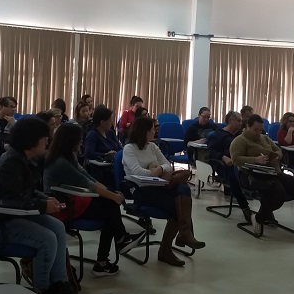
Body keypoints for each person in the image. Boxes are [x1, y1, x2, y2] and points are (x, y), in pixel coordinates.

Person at [0, 118, 85, 294]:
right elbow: (11, 201)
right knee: (47, 238)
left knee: (58, 227)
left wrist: (46, 199)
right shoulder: (10, 164)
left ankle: (61, 286)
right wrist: (43, 206)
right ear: (31, 140)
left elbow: (29, 192)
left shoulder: (25, 160)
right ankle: (43, 292)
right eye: (44, 138)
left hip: (14, 216)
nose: (47, 142)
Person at [43, 123, 145, 276]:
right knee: (110, 207)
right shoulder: (60, 163)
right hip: (60, 207)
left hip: (73, 199)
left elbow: (86, 175)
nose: (82, 142)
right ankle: (111, 251)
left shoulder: (68, 155)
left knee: (110, 208)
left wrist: (108, 191)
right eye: (79, 139)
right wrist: (114, 196)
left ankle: (117, 245)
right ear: (71, 141)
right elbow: (87, 184)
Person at [122, 117, 205, 267]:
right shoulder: (129, 149)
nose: (155, 131)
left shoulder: (152, 146)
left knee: (183, 188)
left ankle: (183, 234)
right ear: (144, 131)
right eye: (152, 129)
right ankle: (170, 246)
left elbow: (167, 164)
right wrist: (155, 172)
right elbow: (137, 172)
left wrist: (159, 170)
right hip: (141, 190)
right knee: (177, 208)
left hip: (159, 185)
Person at [230, 115, 294, 235]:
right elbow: (235, 160)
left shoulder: (264, 138)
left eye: (260, 130)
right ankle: (258, 218)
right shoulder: (240, 140)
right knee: (278, 192)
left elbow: (278, 150)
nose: (258, 132)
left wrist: (276, 155)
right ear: (247, 126)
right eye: (255, 129)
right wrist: (255, 160)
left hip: (272, 172)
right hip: (252, 175)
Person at [207, 111, 252, 223]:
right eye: (238, 121)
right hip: (224, 165)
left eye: (241, 121)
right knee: (234, 175)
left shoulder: (239, 136)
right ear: (230, 120)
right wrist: (223, 157)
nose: (240, 123)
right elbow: (211, 152)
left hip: (241, 163)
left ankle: (266, 210)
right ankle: (244, 207)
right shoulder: (218, 134)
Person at [84, 106, 122, 189]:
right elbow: (89, 153)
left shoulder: (110, 133)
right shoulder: (92, 135)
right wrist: (105, 155)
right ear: (102, 122)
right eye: (109, 120)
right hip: (100, 170)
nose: (111, 122)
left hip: (113, 165)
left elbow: (119, 148)